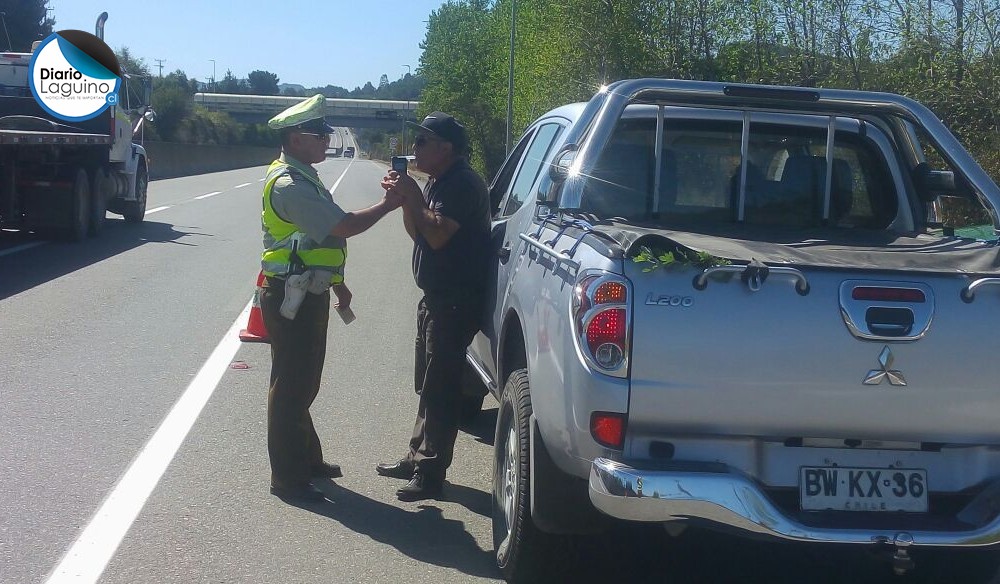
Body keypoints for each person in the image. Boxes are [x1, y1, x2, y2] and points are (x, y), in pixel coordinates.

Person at [261, 94, 401, 502]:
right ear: (295, 138)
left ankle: (306, 460)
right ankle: (288, 477)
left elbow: (314, 241)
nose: (326, 139)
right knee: (292, 386)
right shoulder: (290, 185)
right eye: (318, 133)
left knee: (301, 381)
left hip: (306, 289)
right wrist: (388, 205)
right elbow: (340, 227)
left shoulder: (304, 176)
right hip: (293, 295)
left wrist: (339, 284)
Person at [376, 112, 490, 500]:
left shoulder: (461, 184)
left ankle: (429, 473)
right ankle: (416, 457)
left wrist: (415, 197)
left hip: (456, 300)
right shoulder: (439, 181)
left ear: (446, 148)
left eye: (423, 141)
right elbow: (419, 233)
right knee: (428, 384)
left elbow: (439, 235)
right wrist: (407, 201)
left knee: (441, 388)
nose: (415, 148)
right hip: (437, 298)